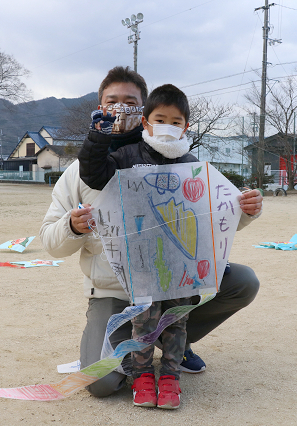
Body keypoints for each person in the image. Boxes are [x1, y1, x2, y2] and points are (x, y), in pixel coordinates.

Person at [39, 67, 262, 401]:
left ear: (143, 113)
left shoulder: (179, 160)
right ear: (100, 106)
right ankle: (132, 353)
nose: (120, 109)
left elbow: (207, 217)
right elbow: (50, 241)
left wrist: (244, 209)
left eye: (130, 102)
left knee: (243, 281)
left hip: (169, 280)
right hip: (115, 292)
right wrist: (72, 226)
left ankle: (175, 343)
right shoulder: (82, 171)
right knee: (101, 385)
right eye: (111, 102)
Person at [80, 84, 204, 409]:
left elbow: (208, 205)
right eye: (159, 119)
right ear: (146, 123)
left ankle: (171, 375)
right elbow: (93, 174)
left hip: (179, 261)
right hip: (141, 262)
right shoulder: (127, 156)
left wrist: (242, 202)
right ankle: (142, 375)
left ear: (185, 126)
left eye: (175, 121)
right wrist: (98, 134)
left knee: (177, 319)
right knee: (144, 319)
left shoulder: (192, 165)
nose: (167, 126)